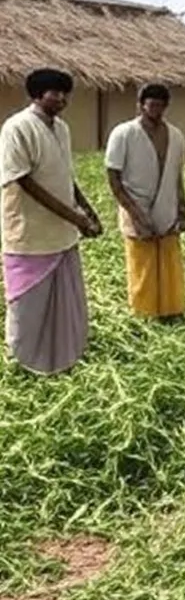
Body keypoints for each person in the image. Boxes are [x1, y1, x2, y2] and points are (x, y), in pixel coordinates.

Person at [0, 69, 102, 375]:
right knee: (29, 303)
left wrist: (85, 208)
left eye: (64, 93)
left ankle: (60, 359)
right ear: (37, 94)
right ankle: (22, 363)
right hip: (30, 231)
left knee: (62, 302)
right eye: (54, 93)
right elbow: (23, 181)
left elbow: (65, 174)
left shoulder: (61, 128)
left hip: (62, 232)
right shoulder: (17, 127)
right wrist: (74, 217)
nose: (62, 99)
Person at [105, 83, 185, 323]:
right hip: (135, 205)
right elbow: (114, 178)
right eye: (151, 104)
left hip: (167, 205)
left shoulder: (176, 135)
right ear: (141, 105)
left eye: (161, 105)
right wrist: (135, 214)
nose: (156, 110)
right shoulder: (123, 133)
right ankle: (144, 314)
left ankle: (171, 310)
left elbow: (177, 175)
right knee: (143, 265)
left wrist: (182, 209)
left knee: (169, 263)